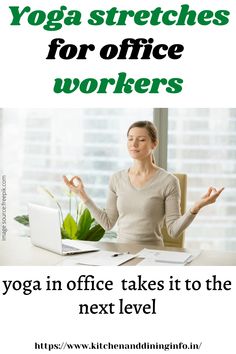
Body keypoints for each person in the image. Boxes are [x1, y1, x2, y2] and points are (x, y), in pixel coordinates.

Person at [63, 120, 224, 246]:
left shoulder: (168, 181)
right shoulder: (116, 179)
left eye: (141, 140)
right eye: (130, 139)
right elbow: (107, 223)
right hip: (121, 255)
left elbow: (174, 231)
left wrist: (196, 207)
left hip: (153, 255)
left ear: (154, 144)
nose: (134, 144)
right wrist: (83, 196)